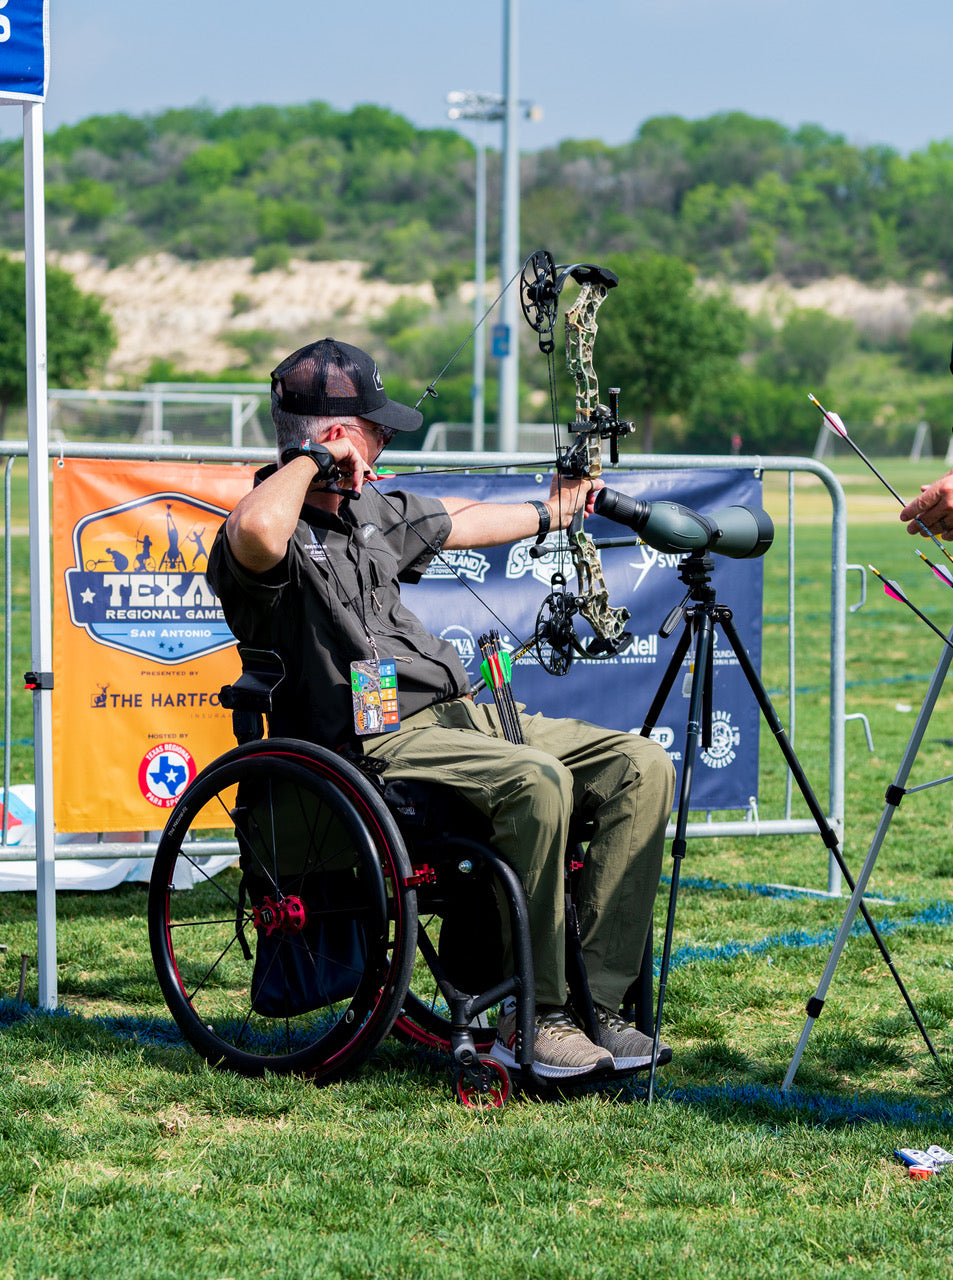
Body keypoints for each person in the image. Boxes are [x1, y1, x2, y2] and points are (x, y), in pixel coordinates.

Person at [207, 337, 676, 1081]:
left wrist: (551, 509)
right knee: (535, 781)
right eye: (373, 428)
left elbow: (460, 519)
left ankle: (599, 1006)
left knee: (640, 766)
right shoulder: (270, 530)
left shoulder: (369, 511)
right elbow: (256, 532)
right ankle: (538, 1018)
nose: (386, 439)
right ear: (334, 435)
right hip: (367, 744)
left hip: (457, 716)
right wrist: (310, 460)